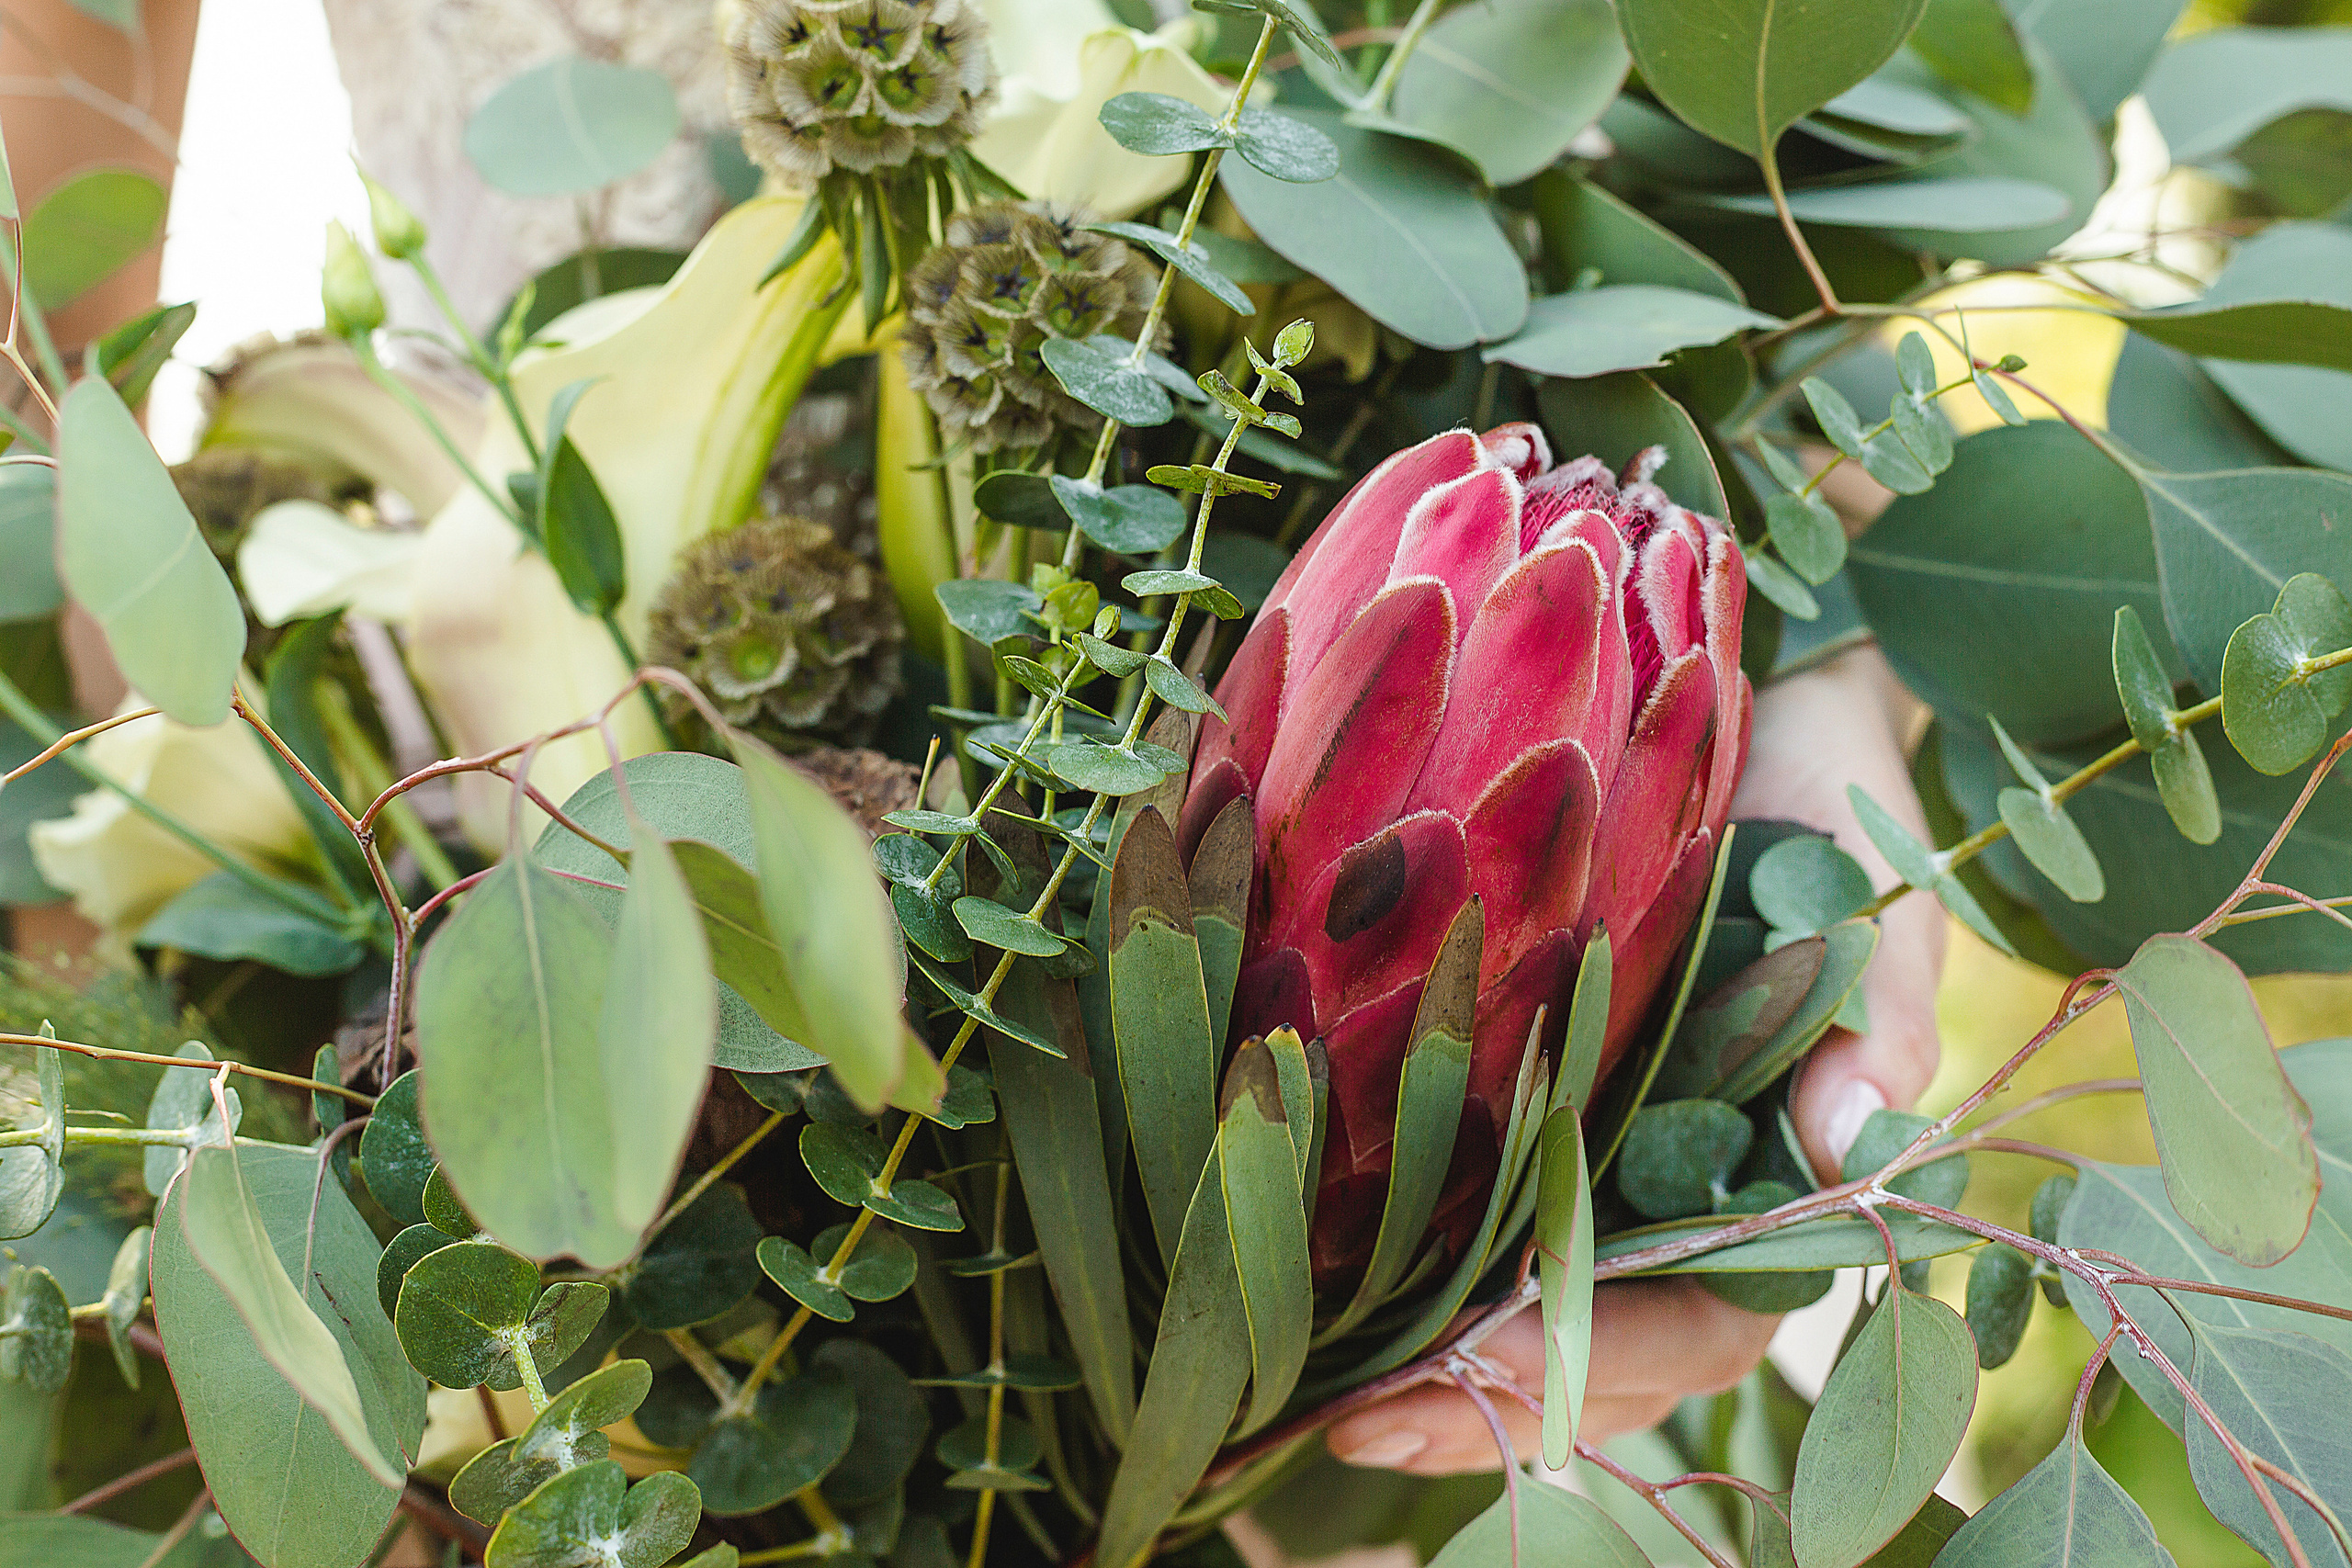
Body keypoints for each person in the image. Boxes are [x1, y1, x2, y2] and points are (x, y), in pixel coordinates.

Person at [3, 0, 1945, 1480]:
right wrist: (162, 1090)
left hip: (1448, 1042)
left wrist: (1831, 683)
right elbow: (43, 419)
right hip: (555, 965)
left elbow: (1788, 303)